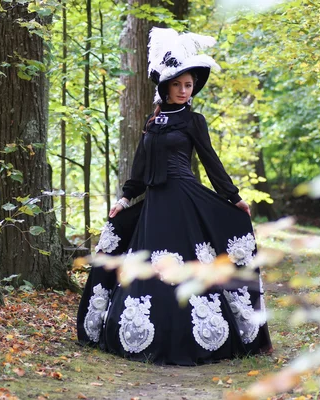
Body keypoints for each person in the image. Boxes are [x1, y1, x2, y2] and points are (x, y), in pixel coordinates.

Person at [76, 28, 272, 365]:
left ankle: (195, 338)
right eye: (178, 84)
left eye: (189, 85)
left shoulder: (194, 121)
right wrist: (124, 200)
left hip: (184, 201)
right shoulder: (152, 122)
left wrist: (233, 198)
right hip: (153, 205)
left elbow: (211, 162)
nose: (184, 90)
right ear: (165, 87)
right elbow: (139, 169)